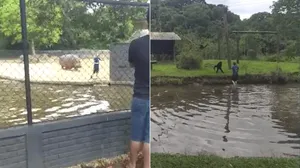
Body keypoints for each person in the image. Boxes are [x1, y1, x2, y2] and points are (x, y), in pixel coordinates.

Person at [127, 9, 150, 168]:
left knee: (136, 135)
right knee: (148, 137)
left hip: (140, 96)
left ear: (147, 21)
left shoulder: (135, 44)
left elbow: (131, 64)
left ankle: (133, 164)